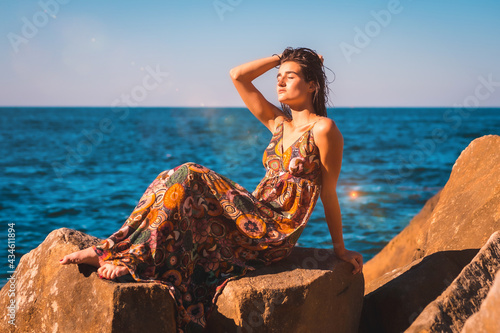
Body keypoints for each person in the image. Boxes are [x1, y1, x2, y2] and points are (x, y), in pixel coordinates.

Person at [60, 47, 363, 332]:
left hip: (276, 230)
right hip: (253, 214)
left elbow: (329, 192)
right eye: (278, 76)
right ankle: (115, 249)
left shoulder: (324, 129)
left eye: (291, 76)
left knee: (191, 172)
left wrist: (339, 250)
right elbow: (237, 75)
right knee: (171, 179)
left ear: (312, 85)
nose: (280, 81)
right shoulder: (279, 124)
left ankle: (129, 258)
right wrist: (279, 58)